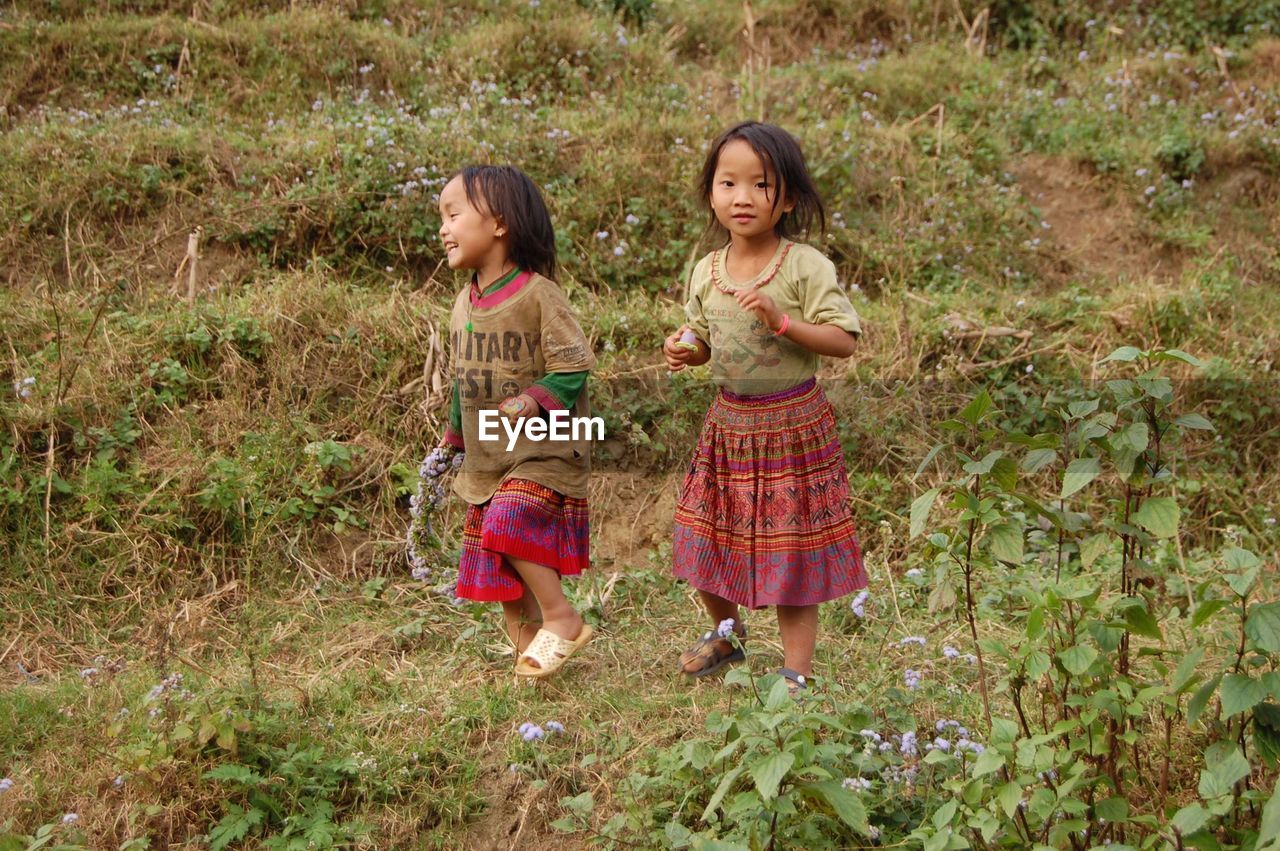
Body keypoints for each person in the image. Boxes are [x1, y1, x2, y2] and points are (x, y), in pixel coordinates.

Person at [662, 121, 867, 692]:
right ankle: (727, 634)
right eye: (728, 183)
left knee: (790, 551)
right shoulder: (707, 270)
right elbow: (702, 339)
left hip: (793, 425)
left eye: (761, 184)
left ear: (789, 199)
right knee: (701, 537)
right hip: (728, 425)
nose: (743, 197)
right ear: (712, 193)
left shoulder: (804, 266)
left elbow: (844, 340)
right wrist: (687, 349)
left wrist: (782, 321)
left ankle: (797, 673)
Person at [436, 164, 595, 678]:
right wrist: (454, 439)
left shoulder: (538, 294)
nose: (443, 228)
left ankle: (562, 616)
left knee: (507, 523)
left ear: (499, 223)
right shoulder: (463, 304)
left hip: (542, 448)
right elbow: (462, 381)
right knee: (497, 556)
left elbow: (574, 367)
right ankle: (529, 656)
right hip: (488, 455)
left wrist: (530, 400)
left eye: (454, 214)